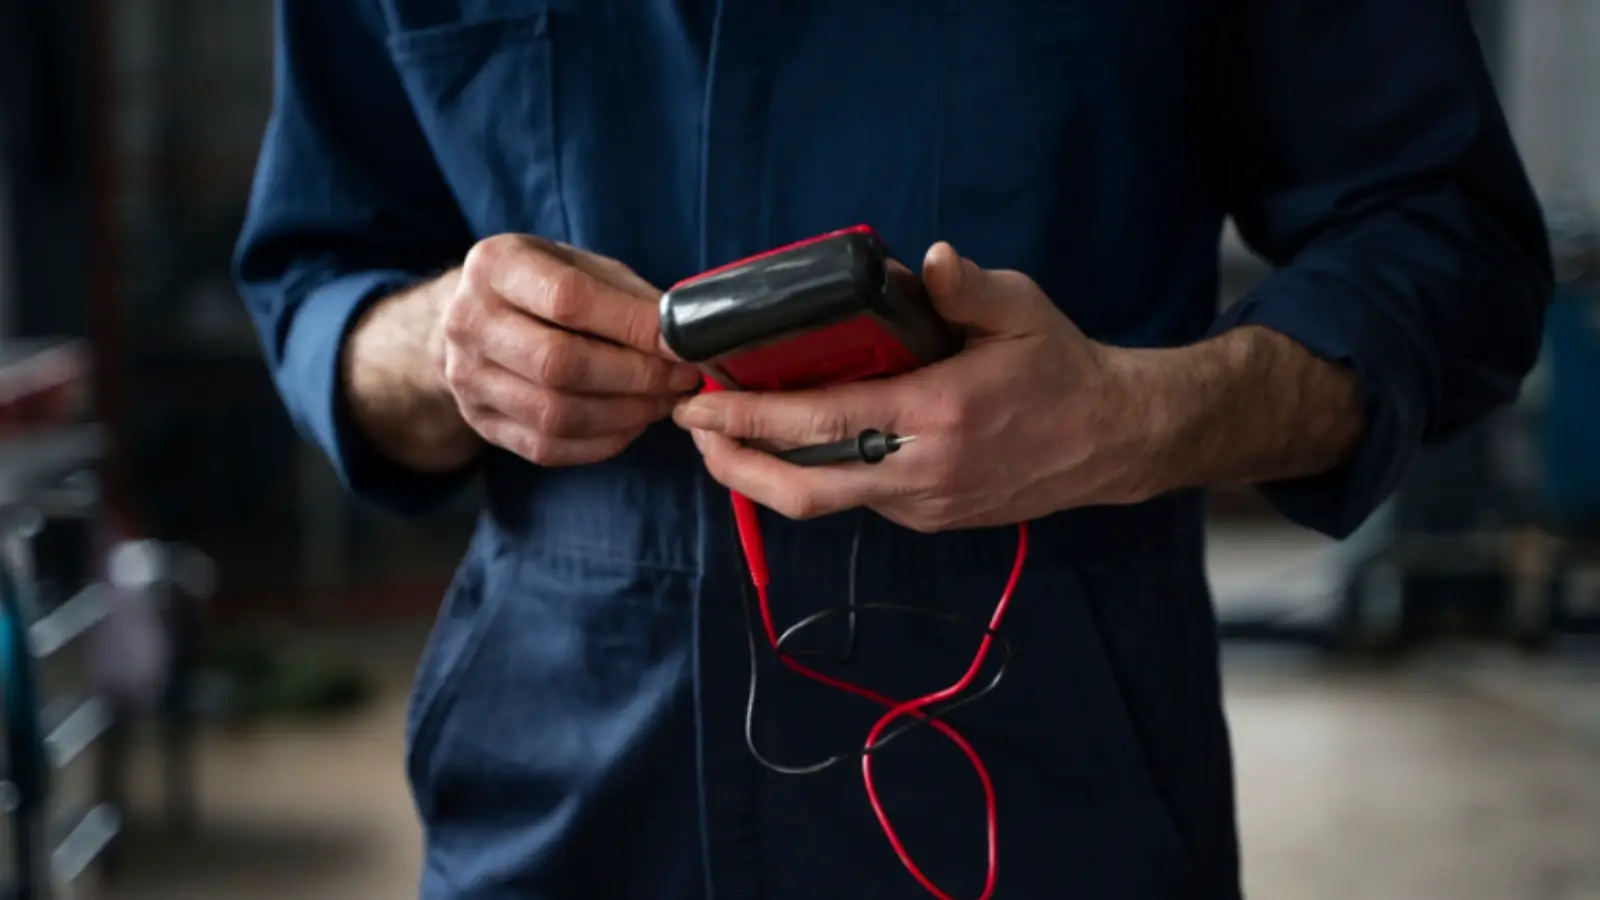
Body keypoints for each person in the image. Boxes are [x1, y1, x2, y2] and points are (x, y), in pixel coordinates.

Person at [234, 1, 1552, 898]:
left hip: (1054, 788)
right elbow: (318, 275)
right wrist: (441, 342)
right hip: (556, 791)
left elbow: (1445, 241)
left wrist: (1144, 417)